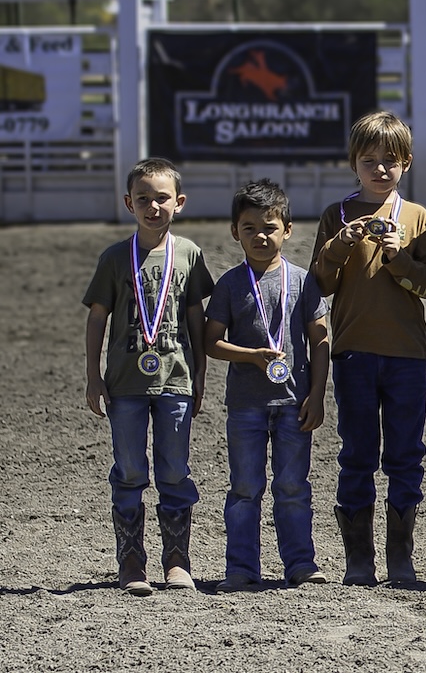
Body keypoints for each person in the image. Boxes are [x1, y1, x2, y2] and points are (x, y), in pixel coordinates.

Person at [309, 111, 426, 586]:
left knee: (406, 455)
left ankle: (400, 557)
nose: (380, 169)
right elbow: (319, 285)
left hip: (407, 356)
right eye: (370, 160)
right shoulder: (336, 215)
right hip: (353, 354)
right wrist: (339, 246)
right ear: (354, 164)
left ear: (405, 163)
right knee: (357, 454)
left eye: (390, 160)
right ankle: (359, 560)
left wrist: (396, 257)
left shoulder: (417, 217)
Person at [83, 157, 214, 596]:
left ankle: (177, 560)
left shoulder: (190, 255)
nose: (153, 206)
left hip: (175, 381)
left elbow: (195, 315)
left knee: (175, 470)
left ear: (178, 203)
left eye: (162, 198)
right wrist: (92, 374)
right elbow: (97, 317)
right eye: (143, 199)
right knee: (130, 468)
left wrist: (200, 373)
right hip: (124, 384)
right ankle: (131, 562)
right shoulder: (115, 258)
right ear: (128, 203)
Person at [205, 179, 331, 591]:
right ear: (235, 232)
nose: (261, 236)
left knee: (293, 486)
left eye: (270, 227)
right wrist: (252, 356)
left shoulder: (303, 282)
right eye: (249, 228)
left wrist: (317, 394)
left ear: (288, 229)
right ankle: (241, 569)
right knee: (245, 488)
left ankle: (300, 565)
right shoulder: (229, 284)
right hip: (245, 406)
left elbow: (320, 341)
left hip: (295, 403)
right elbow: (212, 342)